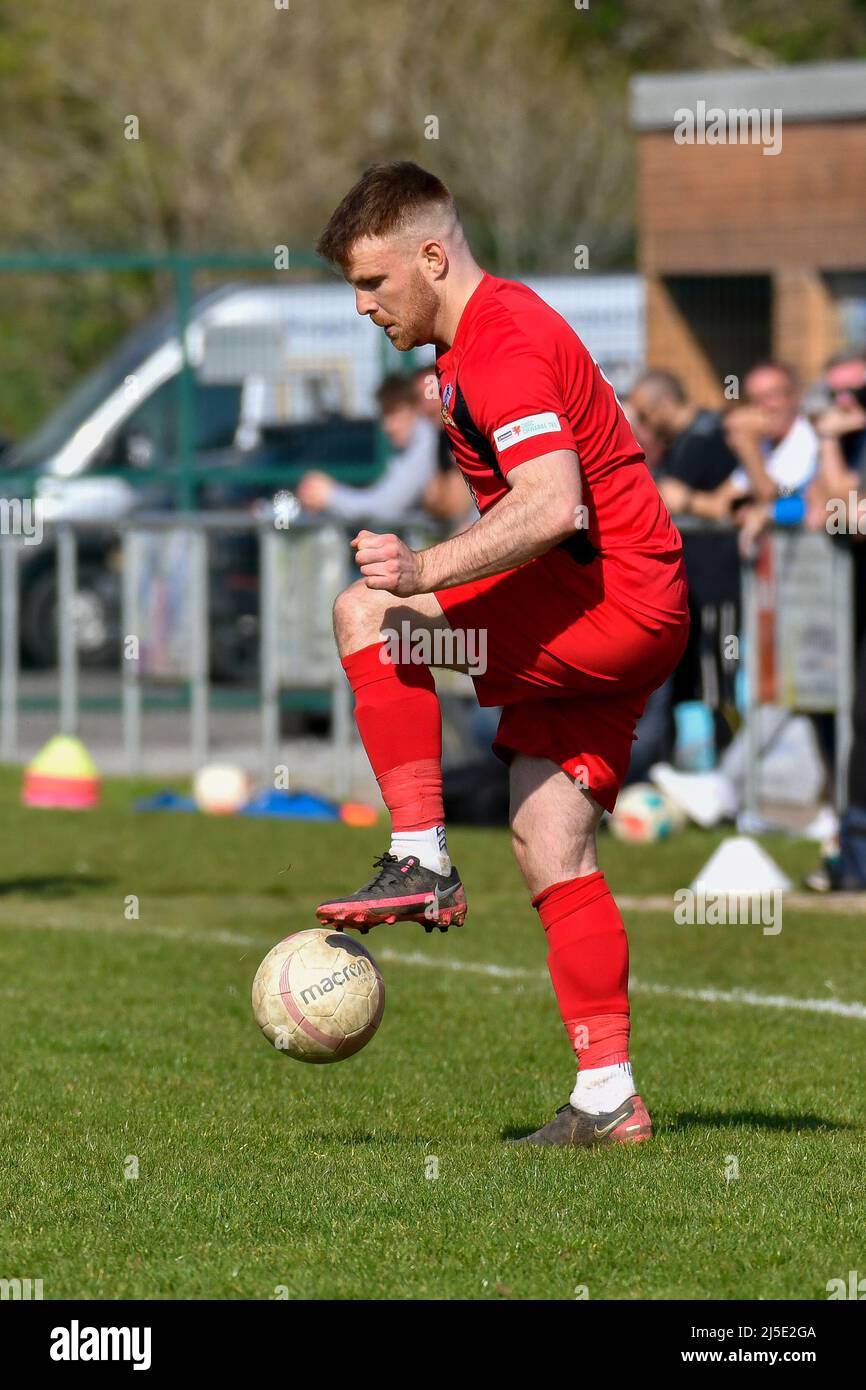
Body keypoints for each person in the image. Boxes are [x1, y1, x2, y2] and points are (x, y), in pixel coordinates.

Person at [312, 161, 690, 1146]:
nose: (362, 306)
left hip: (603, 602)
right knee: (546, 832)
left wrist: (423, 566)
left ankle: (417, 855)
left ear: (432, 256)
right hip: (627, 606)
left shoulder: (498, 346)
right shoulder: (480, 338)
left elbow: (552, 500)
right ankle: (608, 1098)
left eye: (373, 282)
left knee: (369, 614)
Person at [296, 373, 438, 523]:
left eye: (395, 413)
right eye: (384, 415)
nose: (388, 426)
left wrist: (329, 495)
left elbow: (386, 508)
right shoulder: (410, 444)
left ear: (416, 409)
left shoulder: (426, 438)